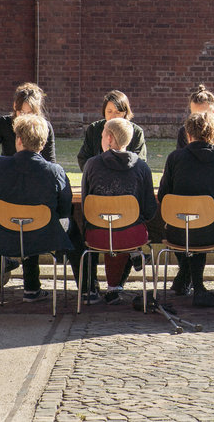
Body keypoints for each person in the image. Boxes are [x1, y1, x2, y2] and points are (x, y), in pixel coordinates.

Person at [0, 113, 77, 302]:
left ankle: (30, 288)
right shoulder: (54, 171)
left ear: (18, 140)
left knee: (25, 219)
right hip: (43, 236)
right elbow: (65, 208)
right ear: (43, 144)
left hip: (4, 234)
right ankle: (87, 290)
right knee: (74, 228)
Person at [157, 112, 214, 308]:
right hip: (212, 234)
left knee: (191, 227)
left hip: (178, 232)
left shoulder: (175, 158)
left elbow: (163, 196)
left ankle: (189, 279)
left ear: (188, 133)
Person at [81, 117, 158, 305]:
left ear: (108, 138)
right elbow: (149, 209)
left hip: (97, 235)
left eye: (101, 135)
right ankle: (116, 284)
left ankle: (95, 289)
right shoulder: (142, 167)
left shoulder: (91, 165)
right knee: (129, 226)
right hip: (131, 236)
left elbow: (85, 206)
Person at [0, 82, 56, 174]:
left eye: (30, 113)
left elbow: (50, 163)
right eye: (22, 112)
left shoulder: (44, 127)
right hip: (8, 175)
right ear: (15, 106)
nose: (25, 117)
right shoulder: (3, 123)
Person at [77, 90, 147, 171]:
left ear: (125, 113)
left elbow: (140, 161)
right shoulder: (94, 129)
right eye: (109, 112)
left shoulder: (136, 132)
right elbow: (84, 158)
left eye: (117, 112)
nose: (113, 116)